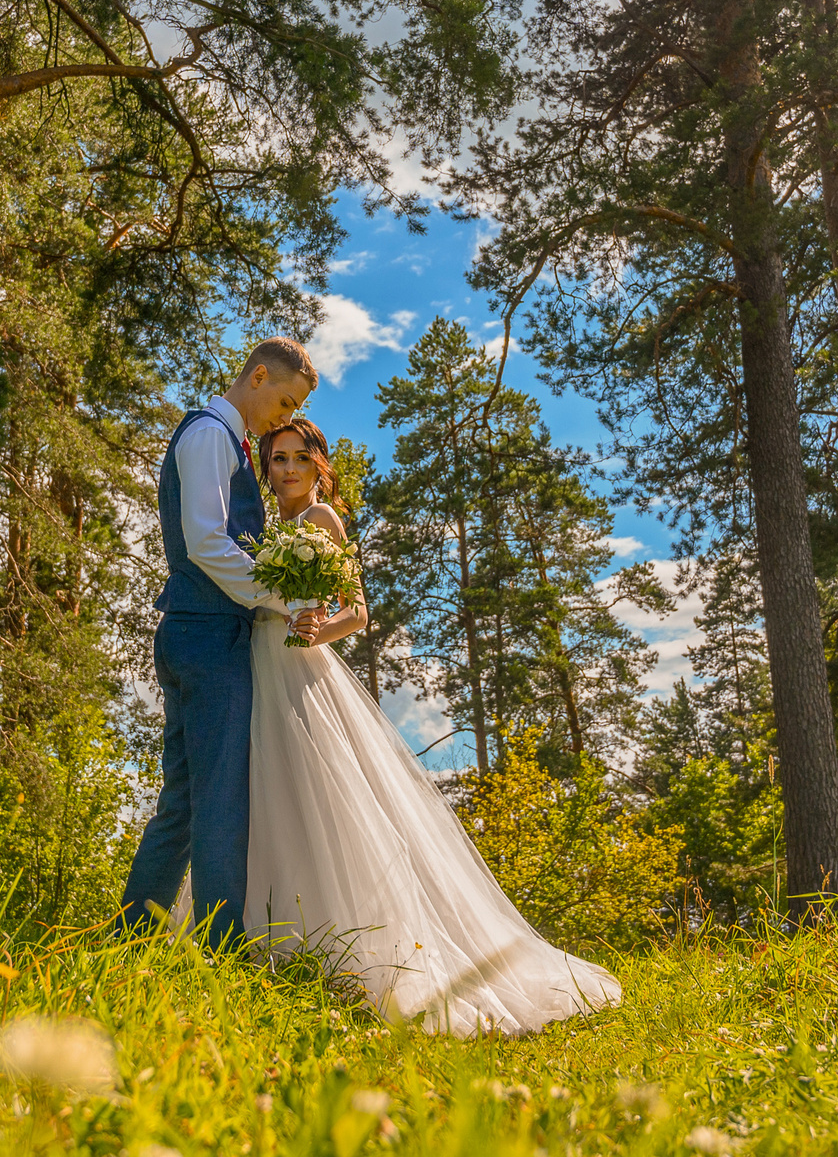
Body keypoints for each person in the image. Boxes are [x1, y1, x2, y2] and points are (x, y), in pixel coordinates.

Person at [245, 417, 621, 1035]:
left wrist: (314, 628)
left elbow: (356, 613)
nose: (287, 470)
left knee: (322, 802)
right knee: (274, 801)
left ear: (319, 466)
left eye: (298, 459)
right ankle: (282, 946)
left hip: (299, 671)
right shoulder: (268, 528)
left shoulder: (321, 524)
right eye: (277, 459)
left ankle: (352, 954)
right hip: (257, 667)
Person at [116, 338, 323, 946]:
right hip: (208, 635)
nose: (286, 417)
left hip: (190, 630)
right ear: (257, 376)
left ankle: (133, 935)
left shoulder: (224, 440)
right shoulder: (210, 435)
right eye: (285, 400)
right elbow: (207, 542)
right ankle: (222, 949)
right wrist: (282, 597)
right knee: (221, 799)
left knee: (181, 801)